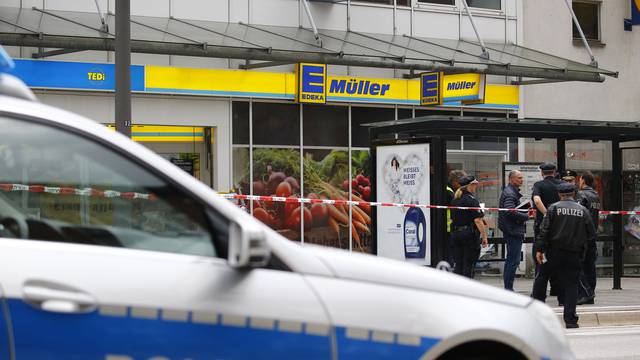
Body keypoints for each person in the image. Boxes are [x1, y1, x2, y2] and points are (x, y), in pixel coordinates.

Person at [532, 183, 596, 329]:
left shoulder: (553, 208)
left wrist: (540, 249)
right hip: (574, 253)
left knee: (542, 279)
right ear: (573, 194)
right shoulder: (583, 210)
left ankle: (537, 315)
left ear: (559, 194)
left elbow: (545, 230)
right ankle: (570, 320)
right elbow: (591, 234)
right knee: (571, 285)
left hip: (553, 252)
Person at [450, 175, 489, 278]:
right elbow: (478, 220)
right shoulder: (472, 200)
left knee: (458, 264)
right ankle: (467, 290)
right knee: (468, 264)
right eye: (475, 185)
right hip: (469, 236)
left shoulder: (455, 200)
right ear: (470, 186)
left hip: (456, 234)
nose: (476, 187)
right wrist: (484, 237)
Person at [498, 170, 530, 291]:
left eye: (522, 178)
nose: (521, 180)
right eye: (519, 178)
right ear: (511, 179)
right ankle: (508, 289)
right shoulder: (510, 193)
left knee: (512, 259)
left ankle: (508, 288)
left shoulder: (511, 192)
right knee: (513, 260)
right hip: (512, 230)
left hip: (512, 229)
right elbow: (510, 210)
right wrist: (526, 216)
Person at [576, 171, 601, 305]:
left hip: (582, 235)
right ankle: (590, 293)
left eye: (579, 180)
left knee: (578, 265)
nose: (579, 182)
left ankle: (586, 293)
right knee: (590, 266)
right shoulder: (596, 195)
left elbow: (578, 213)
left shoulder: (582, 194)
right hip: (592, 234)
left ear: (583, 180)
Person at [446, 170, 467, 264]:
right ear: (455, 181)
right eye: (462, 182)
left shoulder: (452, 191)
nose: (464, 185)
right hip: (449, 227)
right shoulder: (449, 192)